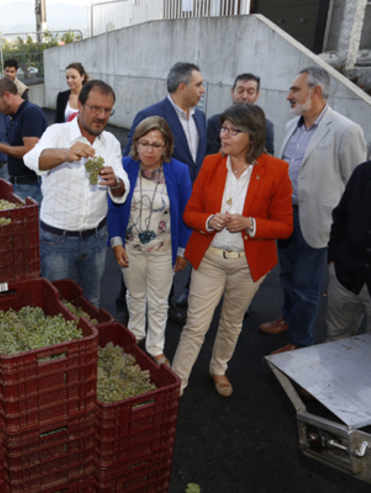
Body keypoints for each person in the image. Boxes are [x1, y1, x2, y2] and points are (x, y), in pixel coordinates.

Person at [171, 104, 293, 396]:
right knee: (195, 324)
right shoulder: (211, 163)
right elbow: (190, 214)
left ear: (252, 135)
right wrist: (209, 220)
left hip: (248, 265)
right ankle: (177, 381)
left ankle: (219, 369)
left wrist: (250, 224)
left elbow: (284, 226)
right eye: (223, 128)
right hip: (210, 258)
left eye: (232, 130)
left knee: (232, 323)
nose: (223, 135)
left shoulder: (277, 170)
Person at [260, 66, 367, 354]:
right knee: (287, 277)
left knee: (307, 286)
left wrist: (346, 233)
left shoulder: (346, 130)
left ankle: (300, 341)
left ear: (316, 91)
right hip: (285, 216)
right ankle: (288, 317)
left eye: (295, 90)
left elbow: (356, 185)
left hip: (319, 222)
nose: (288, 96)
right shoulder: (290, 126)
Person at [24, 80, 129, 308]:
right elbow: (31, 159)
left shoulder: (110, 142)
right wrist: (65, 153)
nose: (101, 115)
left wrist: (115, 182)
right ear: (80, 106)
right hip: (57, 240)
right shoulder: (58, 132)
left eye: (107, 110)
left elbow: (122, 187)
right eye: (95, 108)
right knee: (56, 304)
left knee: (91, 302)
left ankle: (87, 343)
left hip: (96, 239)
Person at [120, 62, 208, 322]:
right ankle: (126, 309)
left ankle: (163, 304)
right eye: (199, 84)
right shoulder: (150, 114)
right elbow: (131, 156)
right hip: (148, 202)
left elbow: (194, 162)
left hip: (181, 201)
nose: (203, 90)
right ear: (183, 87)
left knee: (167, 255)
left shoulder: (200, 117)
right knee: (136, 260)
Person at [107, 116, 192, 365]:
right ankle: (136, 335)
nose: (149, 150)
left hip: (163, 249)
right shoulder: (124, 166)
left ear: (166, 146)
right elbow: (113, 207)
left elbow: (186, 213)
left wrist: (182, 249)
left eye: (156, 144)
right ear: (135, 142)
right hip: (131, 248)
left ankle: (156, 347)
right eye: (144, 143)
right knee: (134, 296)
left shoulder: (178, 171)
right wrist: (116, 243)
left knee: (158, 302)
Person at [326, 115, 371, 346]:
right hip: (345, 279)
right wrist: (333, 261)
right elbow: (341, 216)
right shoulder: (363, 172)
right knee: (336, 342)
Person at [0, 78, 48, 202]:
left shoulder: (30, 113)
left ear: (7, 95)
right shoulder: (17, 115)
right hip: (22, 185)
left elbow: (30, 151)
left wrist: (0, 147)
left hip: (30, 186)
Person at [206, 73, 275, 156]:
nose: (244, 96)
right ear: (232, 92)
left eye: (250, 92)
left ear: (257, 96)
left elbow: (268, 155)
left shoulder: (266, 125)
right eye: (240, 91)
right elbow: (209, 155)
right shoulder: (214, 121)